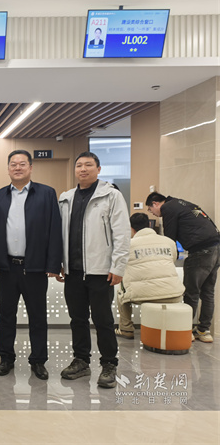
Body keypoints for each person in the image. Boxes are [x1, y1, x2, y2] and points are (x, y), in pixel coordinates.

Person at [0, 150, 63, 380]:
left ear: (30, 167)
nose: (17, 168)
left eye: (22, 164)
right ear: (8, 168)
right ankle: (6, 358)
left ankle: (38, 361)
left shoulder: (46, 194)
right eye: (13, 164)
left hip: (35, 267)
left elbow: (54, 230)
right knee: (6, 315)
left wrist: (53, 264)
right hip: (7, 266)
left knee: (37, 317)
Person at [57, 151, 130, 389]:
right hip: (73, 271)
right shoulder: (66, 198)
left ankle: (109, 363)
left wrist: (118, 266)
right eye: (79, 165)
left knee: (103, 320)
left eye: (88, 165)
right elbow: (59, 233)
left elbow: (121, 233)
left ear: (98, 169)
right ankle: (81, 360)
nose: (83, 169)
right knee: (77, 319)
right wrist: (59, 262)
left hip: (101, 270)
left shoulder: (111, 195)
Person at [146, 191, 220, 343]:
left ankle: (185, 330)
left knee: (192, 292)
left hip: (200, 251)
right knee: (208, 292)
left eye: (150, 209)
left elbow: (169, 238)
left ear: (155, 203)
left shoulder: (168, 208)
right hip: (216, 248)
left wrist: (166, 259)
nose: (153, 214)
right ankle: (204, 331)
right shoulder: (182, 204)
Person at [115, 213, 184, 339]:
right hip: (174, 294)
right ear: (148, 225)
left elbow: (120, 265)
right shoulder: (168, 241)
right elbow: (173, 259)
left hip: (144, 295)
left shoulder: (128, 245)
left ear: (131, 228)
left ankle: (126, 328)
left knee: (121, 293)